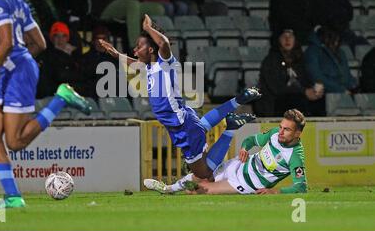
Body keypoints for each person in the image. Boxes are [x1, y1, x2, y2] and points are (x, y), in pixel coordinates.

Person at [0, 0, 91, 208]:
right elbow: (40, 43)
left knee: (14, 142)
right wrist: (21, 62)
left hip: (15, 73)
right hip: (17, 69)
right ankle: (13, 197)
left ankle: (61, 99)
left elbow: (5, 42)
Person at [100, 14, 261, 180]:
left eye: (138, 46)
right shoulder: (150, 67)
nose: (134, 50)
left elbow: (163, 43)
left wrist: (148, 28)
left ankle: (231, 128)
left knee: (203, 173)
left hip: (182, 124)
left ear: (150, 49)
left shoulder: (165, 63)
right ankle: (237, 102)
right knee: (202, 128)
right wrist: (114, 53)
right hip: (183, 118)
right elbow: (133, 63)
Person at [145, 109, 308, 195]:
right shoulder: (274, 134)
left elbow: (301, 187)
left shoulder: (295, 157)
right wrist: (245, 148)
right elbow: (251, 140)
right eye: (281, 127)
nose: (280, 131)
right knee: (203, 175)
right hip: (239, 164)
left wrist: (275, 191)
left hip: (247, 183)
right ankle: (167, 189)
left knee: (201, 190)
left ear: (297, 134)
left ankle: (181, 188)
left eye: (286, 130)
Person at [255, 30, 324, 117]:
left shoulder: (300, 60)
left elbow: (306, 82)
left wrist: (315, 91)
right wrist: (304, 92)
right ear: (278, 40)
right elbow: (276, 88)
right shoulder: (270, 60)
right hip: (273, 107)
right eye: (284, 36)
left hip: (297, 106)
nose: (287, 39)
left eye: (290, 36)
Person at [305, 26, 357, 94]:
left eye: (337, 41)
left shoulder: (340, 52)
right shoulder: (312, 52)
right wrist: (341, 90)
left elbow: (347, 74)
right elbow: (316, 77)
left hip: (345, 91)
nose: (336, 43)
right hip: (325, 94)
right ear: (326, 38)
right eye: (333, 40)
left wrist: (353, 86)